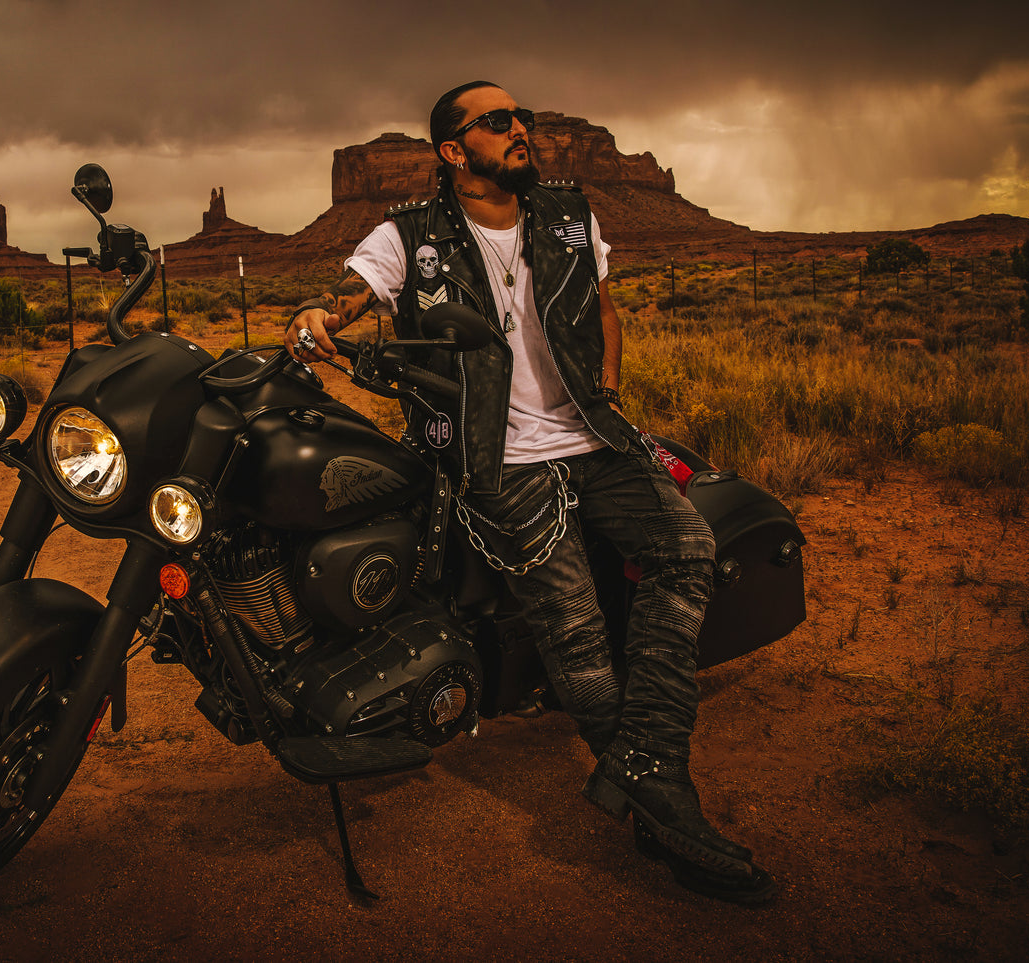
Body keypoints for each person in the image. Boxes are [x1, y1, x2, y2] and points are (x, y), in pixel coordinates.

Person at [284, 81, 775, 905]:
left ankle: (641, 764)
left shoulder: (566, 212)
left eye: (525, 120)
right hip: (493, 457)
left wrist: (608, 379)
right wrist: (315, 315)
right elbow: (350, 291)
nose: (521, 131)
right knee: (573, 629)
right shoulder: (410, 235)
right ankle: (667, 804)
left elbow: (602, 304)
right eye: (499, 122)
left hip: (593, 435)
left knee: (688, 550)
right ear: (452, 150)